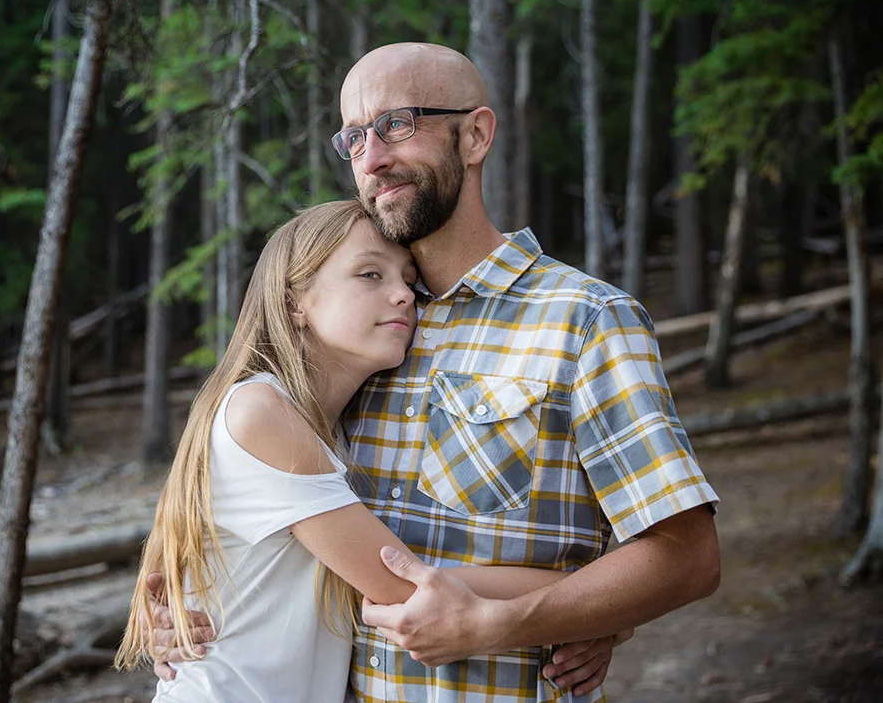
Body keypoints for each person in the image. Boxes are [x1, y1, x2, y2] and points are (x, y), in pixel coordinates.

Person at [148, 42, 721, 702]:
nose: (372, 157)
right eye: (354, 136)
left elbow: (688, 554)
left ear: (474, 134)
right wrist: (166, 591)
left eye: (397, 123)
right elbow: (236, 488)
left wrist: (558, 617)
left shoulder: (584, 319)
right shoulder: (364, 337)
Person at [115, 200, 615, 702]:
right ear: (295, 302)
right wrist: (599, 602)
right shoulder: (259, 412)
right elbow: (403, 585)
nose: (403, 296)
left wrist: (594, 612)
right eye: (370, 274)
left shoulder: (336, 427)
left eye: (409, 281)